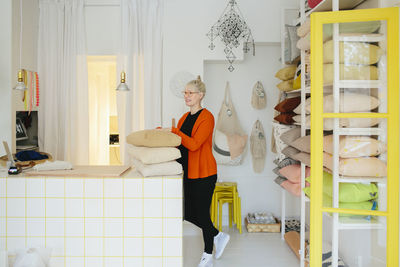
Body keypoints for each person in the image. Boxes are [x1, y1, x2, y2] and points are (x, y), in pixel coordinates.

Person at [171, 76, 230, 267]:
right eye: (185, 93)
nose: (186, 96)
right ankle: (218, 234)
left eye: (190, 93)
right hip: (187, 173)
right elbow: (179, 145)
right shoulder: (183, 118)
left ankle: (208, 255)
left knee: (203, 214)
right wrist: (165, 135)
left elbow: (194, 145)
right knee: (185, 212)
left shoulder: (207, 117)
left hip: (204, 173)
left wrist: (175, 132)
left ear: (200, 95)